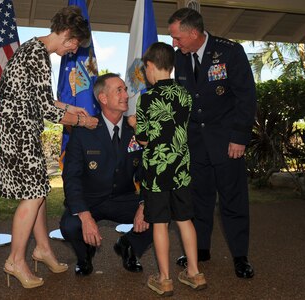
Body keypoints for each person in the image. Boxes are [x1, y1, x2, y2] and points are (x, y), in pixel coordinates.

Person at [0, 6, 99, 289]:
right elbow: (44, 110)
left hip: (17, 131)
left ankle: (42, 249)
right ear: (66, 34)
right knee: (33, 194)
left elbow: (42, 100)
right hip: (18, 134)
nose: (74, 50)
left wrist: (70, 106)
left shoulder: (34, 50)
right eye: (75, 43)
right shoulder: (38, 56)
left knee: (37, 191)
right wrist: (80, 121)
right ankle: (15, 259)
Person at [168, 8, 257, 278]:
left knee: (233, 201)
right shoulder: (179, 58)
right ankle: (201, 250)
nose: (174, 43)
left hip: (227, 142)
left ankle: (241, 257)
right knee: (199, 200)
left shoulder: (230, 52)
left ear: (194, 33)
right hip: (195, 144)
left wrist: (239, 137)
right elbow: (184, 99)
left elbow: (246, 97)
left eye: (177, 37)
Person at [128, 42, 206, 297]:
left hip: (157, 172)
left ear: (150, 66)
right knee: (185, 220)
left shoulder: (147, 98)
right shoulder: (184, 93)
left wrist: (135, 124)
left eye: (146, 69)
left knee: (160, 223)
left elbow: (144, 139)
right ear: (171, 66)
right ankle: (194, 273)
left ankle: (164, 279)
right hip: (181, 168)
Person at [59, 73, 152, 276]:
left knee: (160, 212)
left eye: (125, 90)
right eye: (119, 90)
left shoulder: (135, 129)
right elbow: (71, 177)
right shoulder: (84, 131)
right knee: (70, 225)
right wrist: (85, 216)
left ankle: (128, 245)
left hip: (124, 198)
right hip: (90, 199)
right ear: (103, 98)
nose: (126, 95)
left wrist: (144, 204)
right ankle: (85, 256)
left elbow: (147, 171)